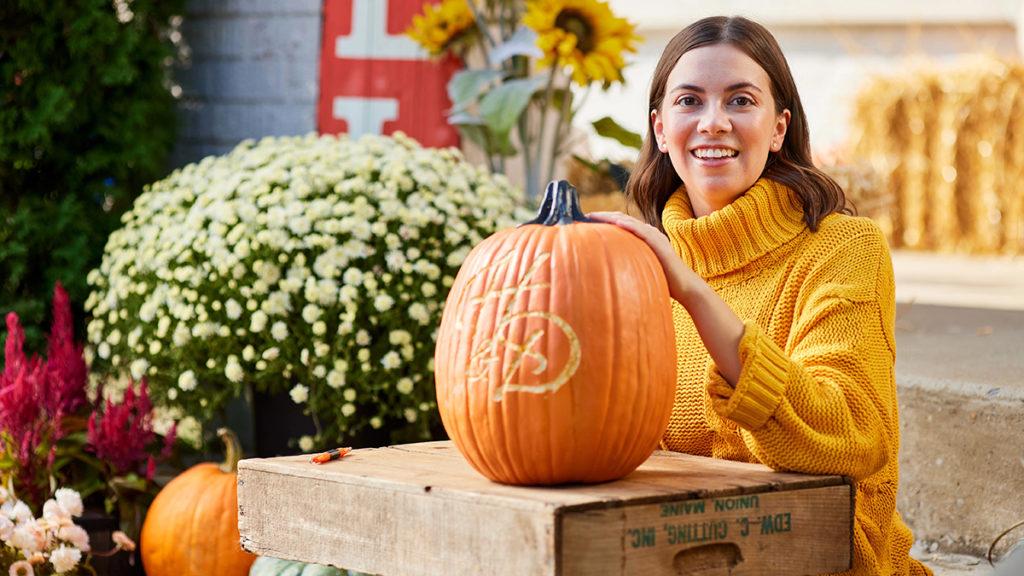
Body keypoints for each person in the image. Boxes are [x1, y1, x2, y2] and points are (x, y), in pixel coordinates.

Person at [588, 16, 931, 576]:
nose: (713, 123)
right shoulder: (627, 263)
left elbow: (851, 433)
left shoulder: (844, 248)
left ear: (778, 128)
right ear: (659, 128)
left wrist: (692, 291)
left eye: (741, 101)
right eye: (690, 101)